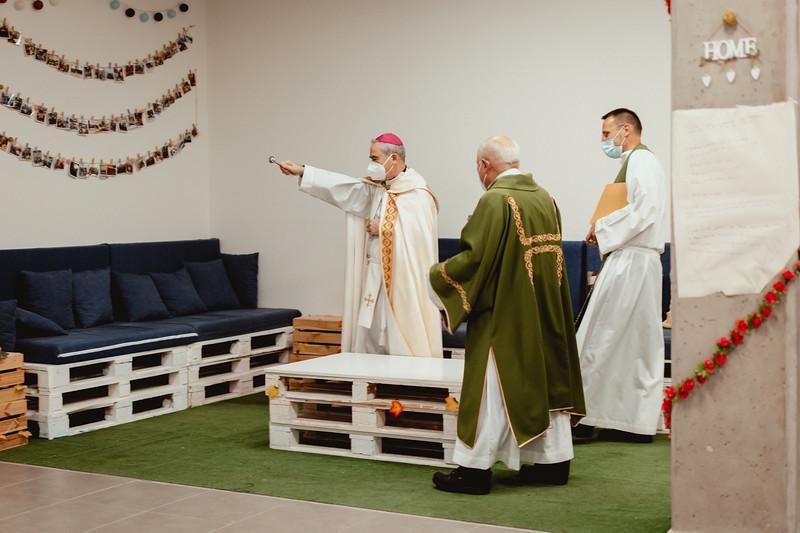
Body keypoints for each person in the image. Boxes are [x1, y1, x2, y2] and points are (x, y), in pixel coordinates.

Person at [428, 135, 585, 495]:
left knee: (491, 388)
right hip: (545, 313)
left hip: (507, 316)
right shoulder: (546, 198)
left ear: (485, 165)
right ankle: (553, 462)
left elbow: (476, 258)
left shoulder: (494, 200)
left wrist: (437, 277)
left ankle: (474, 470)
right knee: (543, 385)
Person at [277, 133, 443, 357]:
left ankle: (404, 379)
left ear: (393, 158)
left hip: (402, 278)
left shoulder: (418, 192)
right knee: (370, 328)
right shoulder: (379, 187)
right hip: (375, 272)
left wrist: (383, 227)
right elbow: (342, 187)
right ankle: (370, 377)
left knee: (395, 331)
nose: (371, 164)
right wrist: (303, 171)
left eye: (374, 159)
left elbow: (419, 237)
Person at [576, 108, 668, 443]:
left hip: (632, 259)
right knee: (633, 344)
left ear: (624, 129)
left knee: (600, 334)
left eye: (605, 133)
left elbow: (646, 209)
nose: (603, 141)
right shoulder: (638, 162)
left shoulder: (641, 161)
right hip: (636, 259)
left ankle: (585, 416)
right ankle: (631, 421)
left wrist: (601, 227)